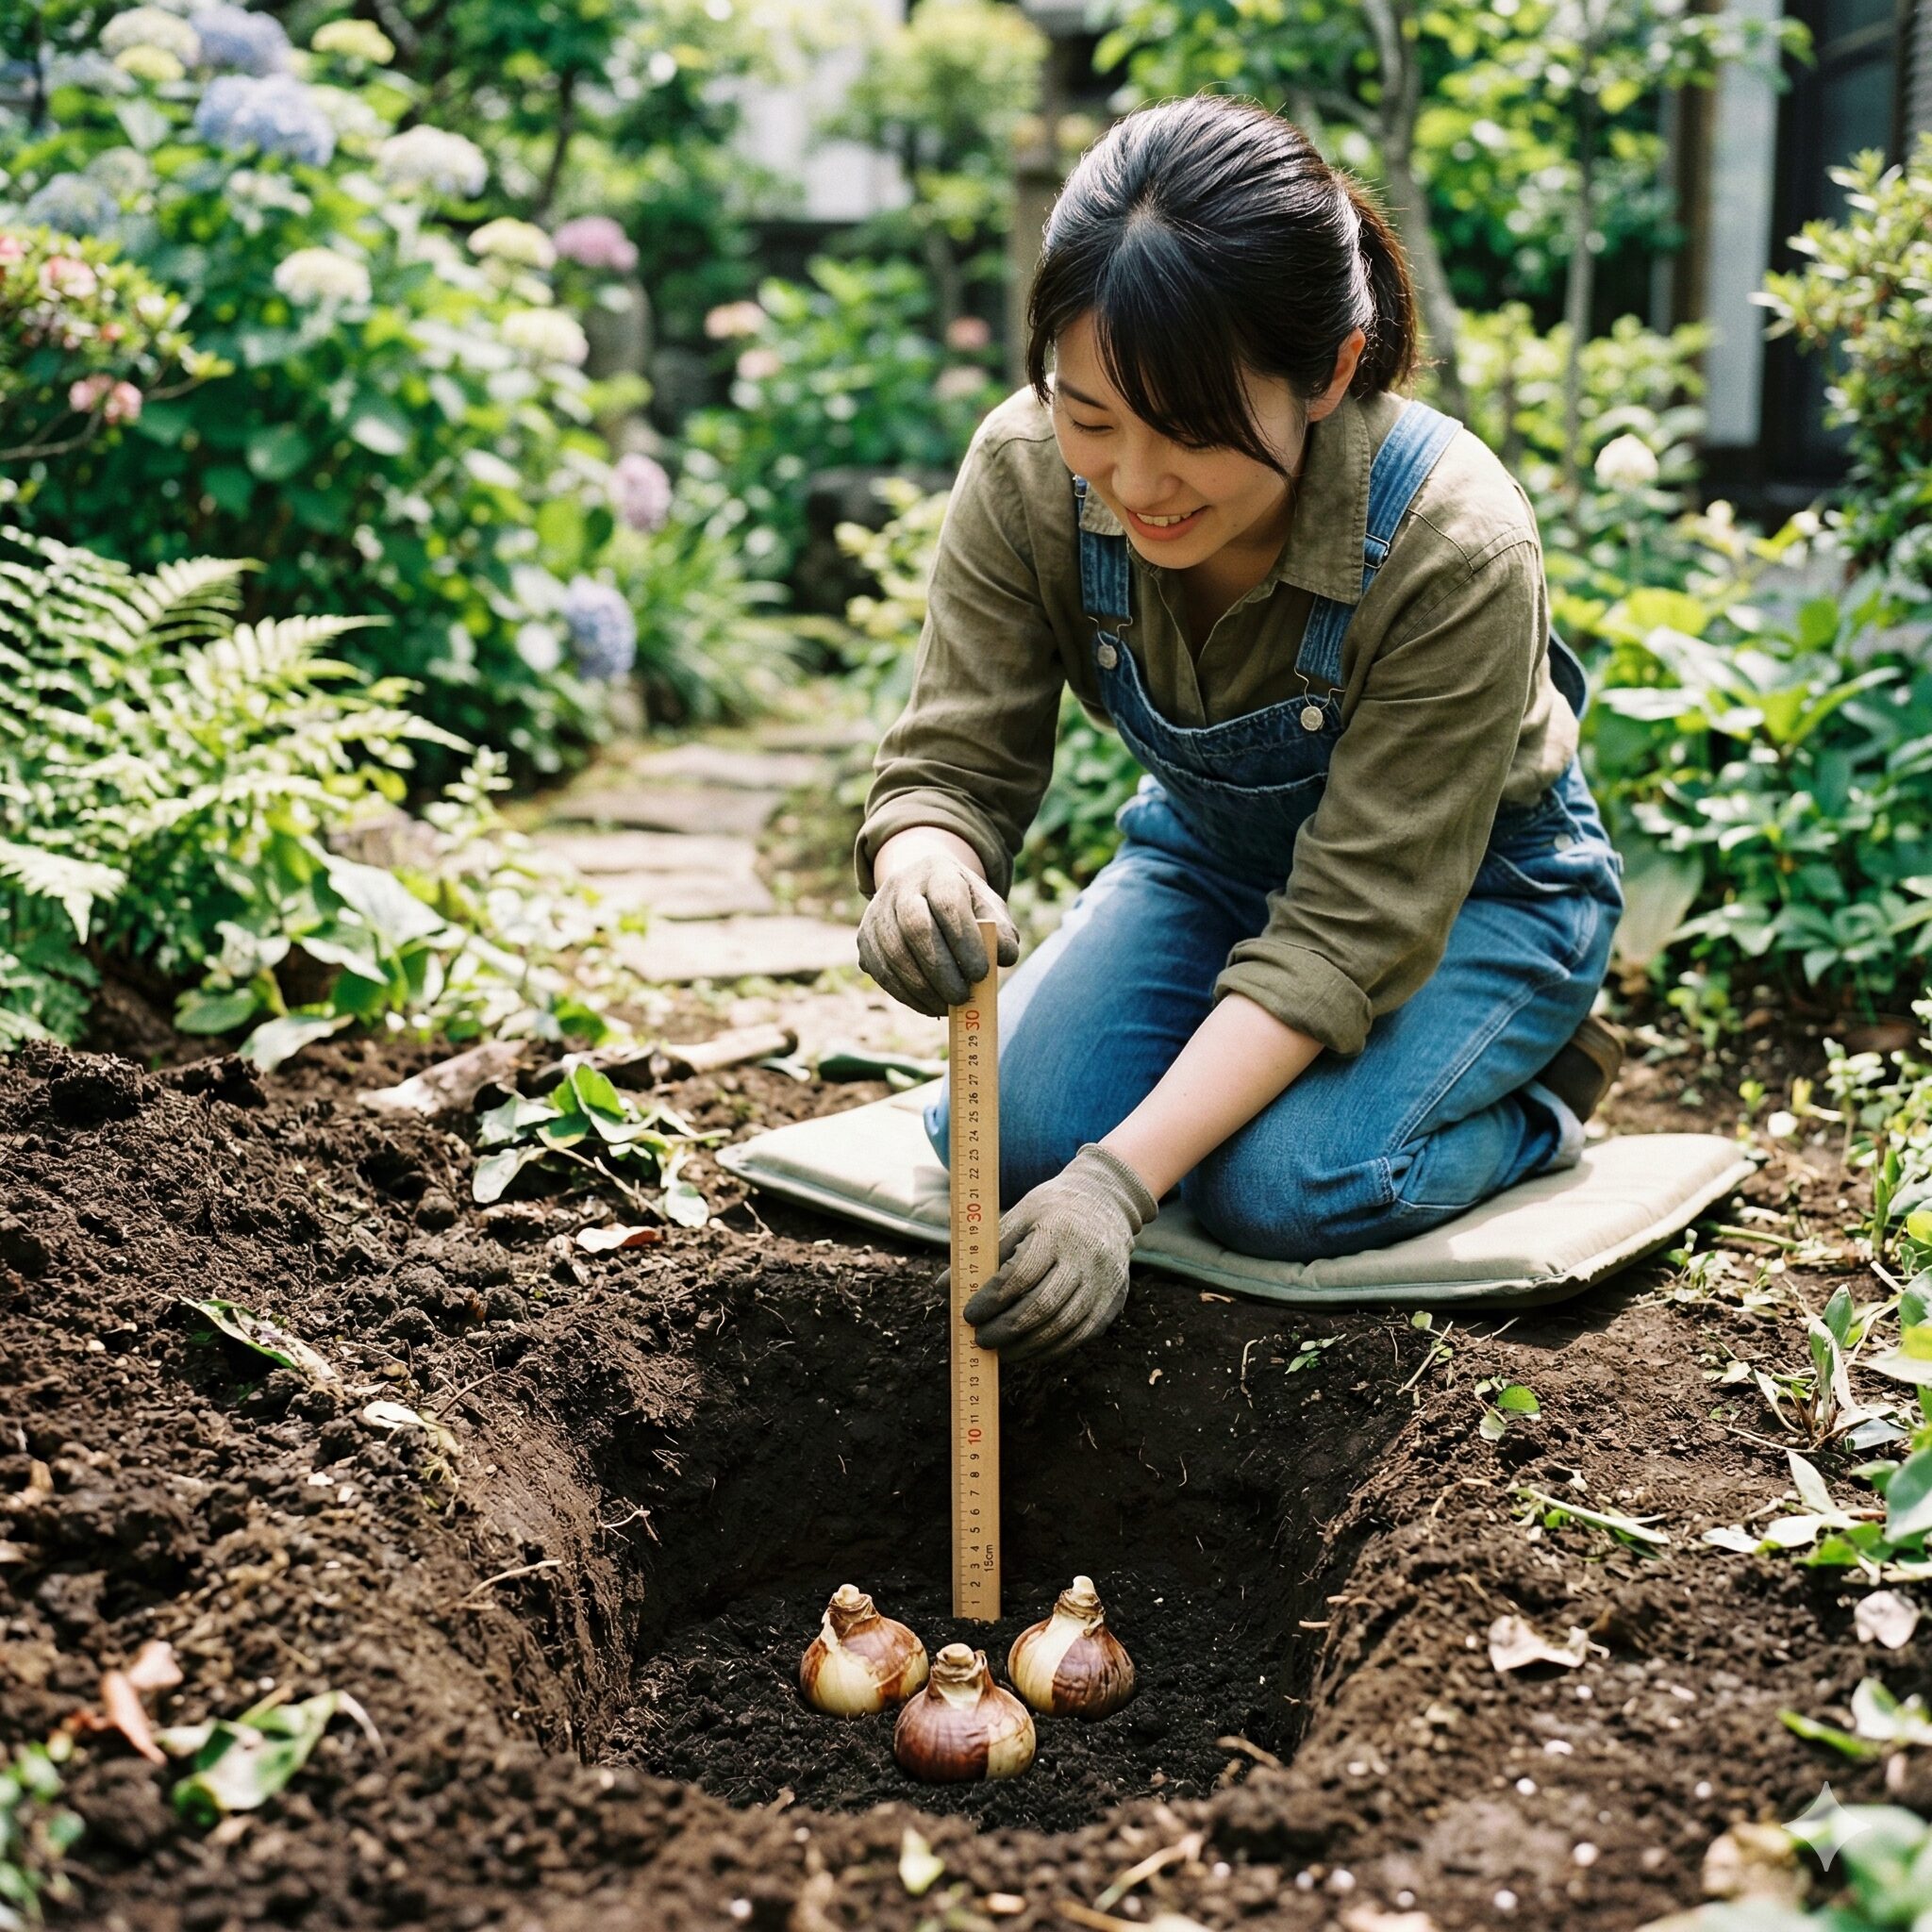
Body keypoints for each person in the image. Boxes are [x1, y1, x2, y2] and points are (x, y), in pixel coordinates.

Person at [855, 96, 1624, 1365]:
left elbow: (1351, 921)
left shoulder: (1451, 540)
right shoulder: (1023, 471)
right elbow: (953, 764)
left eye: (1195, 430)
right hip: (1213, 862)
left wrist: (1120, 1188)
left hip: (1478, 895)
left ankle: (1534, 1109)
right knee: (1003, 1137)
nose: (1139, 483)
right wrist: (921, 863)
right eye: (1093, 416)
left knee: (1282, 1190)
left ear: (1329, 371)